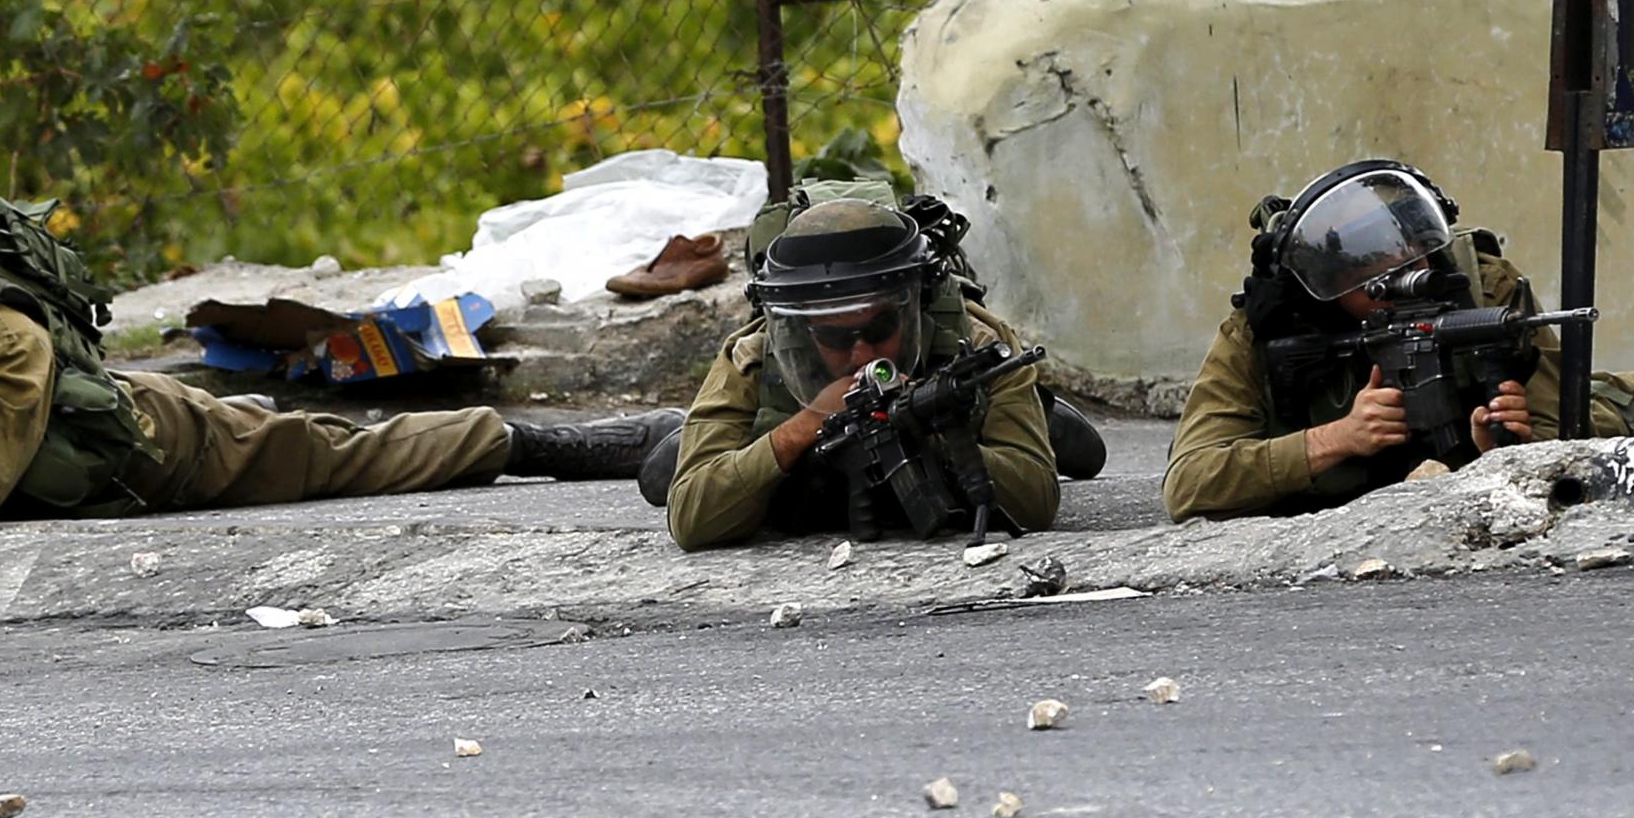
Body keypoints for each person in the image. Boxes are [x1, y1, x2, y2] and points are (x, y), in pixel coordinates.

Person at [0, 185, 681, 576]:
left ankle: (570, 442)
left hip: (152, 449)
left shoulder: (6, 333)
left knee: (343, 457)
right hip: (62, 498)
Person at [1163, 160, 1573, 522]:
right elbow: (1189, 484)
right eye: (1372, 276)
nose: (1405, 282)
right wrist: (1338, 438)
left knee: (1620, 400)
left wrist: (1497, 451)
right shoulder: (1263, 331)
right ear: (1324, 281)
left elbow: (1562, 438)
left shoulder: (1486, 290)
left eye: (1414, 259)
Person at [653, 198, 1068, 551]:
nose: (861, 354)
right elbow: (692, 518)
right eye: (834, 338)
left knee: (1081, 450)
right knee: (660, 473)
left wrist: (931, 426)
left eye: (880, 329)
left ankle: (1047, 413)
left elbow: (1035, 501)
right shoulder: (755, 356)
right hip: (802, 442)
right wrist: (803, 428)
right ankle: (660, 430)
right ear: (800, 330)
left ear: (915, 308)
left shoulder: (978, 341)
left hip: (945, 407)